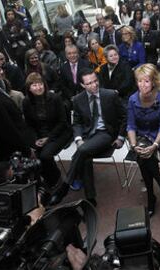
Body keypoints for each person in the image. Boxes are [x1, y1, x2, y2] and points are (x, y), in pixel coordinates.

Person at [49, 68, 126, 207]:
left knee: (82, 150)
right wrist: (78, 139)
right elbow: (77, 122)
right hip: (87, 136)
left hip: (105, 134)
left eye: (95, 81)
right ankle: (90, 197)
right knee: (84, 157)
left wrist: (121, 137)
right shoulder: (78, 100)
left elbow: (124, 116)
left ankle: (65, 187)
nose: (94, 85)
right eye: (89, 83)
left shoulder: (110, 95)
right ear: (82, 85)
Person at [127, 64, 160, 216]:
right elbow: (131, 126)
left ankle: (151, 197)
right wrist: (133, 145)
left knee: (146, 159)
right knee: (143, 156)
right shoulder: (132, 100)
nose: (142, 85)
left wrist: (154, 145)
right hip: (141, 137)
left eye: (146, 81)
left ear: (153, 82)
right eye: (140, 81)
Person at [23, 73, 72, 189]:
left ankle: (57, 180)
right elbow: (29, 125)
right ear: (29, 88)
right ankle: (49, 181)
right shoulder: (26, 102)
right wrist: (34, 140)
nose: (38, 87)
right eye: (34, 85)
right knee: (34, 155)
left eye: (40, 84)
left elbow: (62, 122)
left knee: (44, 156)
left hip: (59, 133)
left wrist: (48, 138)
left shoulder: (55, 98)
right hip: (39, 135)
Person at [58, 45, 91, 111]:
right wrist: (71, 97)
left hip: (86, 94)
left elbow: (90, 82)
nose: (72, 55)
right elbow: (63, 85)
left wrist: (81, 96)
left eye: (74, 53)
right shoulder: (63, 68)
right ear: (66, 55)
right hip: (70, 96)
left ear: (78, 53)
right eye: (69, 53)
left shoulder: (86, 64)